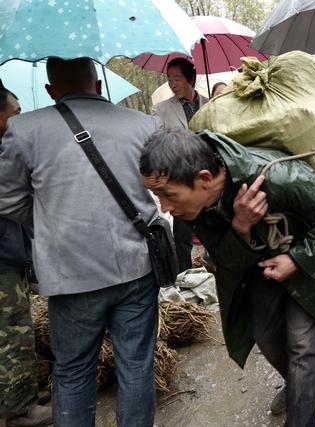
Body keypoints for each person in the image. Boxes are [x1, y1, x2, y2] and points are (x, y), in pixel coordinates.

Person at [140, 129, 315, 426]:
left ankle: (302, 414)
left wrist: (296, 259)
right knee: (265, 338)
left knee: (302, 349)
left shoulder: (274, 174)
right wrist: (240, 226)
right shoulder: (196, 209)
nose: (164, 207)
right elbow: (223, 260)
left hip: (310, 266)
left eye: (168, 194)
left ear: (204, 179)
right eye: (158, 196)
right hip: (259, 269)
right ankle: (297, 387)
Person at [0, 57, 160, 426]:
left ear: (50, 91)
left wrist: (50, 222)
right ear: (100, 86)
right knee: (136, 364)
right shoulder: (142, 124)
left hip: (70, 275)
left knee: (72, 371)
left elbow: (7, 201)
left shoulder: (24, 129)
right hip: (136, 267)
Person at [0, 82, 52, 427]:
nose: (18, 121)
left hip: (10, 253)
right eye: (14, 114)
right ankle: (18, 408)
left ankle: (23, 393)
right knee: (11, 331)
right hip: (2, 259)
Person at [154, 57, 209, 273]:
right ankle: (184, 274)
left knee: (212, 228)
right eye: (169, 79)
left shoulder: (210, 103)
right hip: (180, 178)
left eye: (177, 78)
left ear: (191, 79)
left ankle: (213, 268)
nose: (172, 83)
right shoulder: (162, 109)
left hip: (208, 178)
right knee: (182, 234)